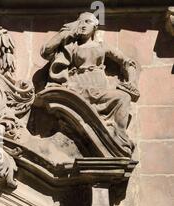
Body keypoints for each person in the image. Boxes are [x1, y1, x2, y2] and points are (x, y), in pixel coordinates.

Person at [41, 12, 139, 151]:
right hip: (78, 89)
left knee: (123, 98)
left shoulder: (102, 46)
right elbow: (46, 51)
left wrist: (132, 81)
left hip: (100, 90)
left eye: (88, 22)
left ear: (95, 27)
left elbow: (128, 62)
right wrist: (64, 34)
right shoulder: (71, 46)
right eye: (81, 22)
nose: (83, 26)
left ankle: (120, 139)